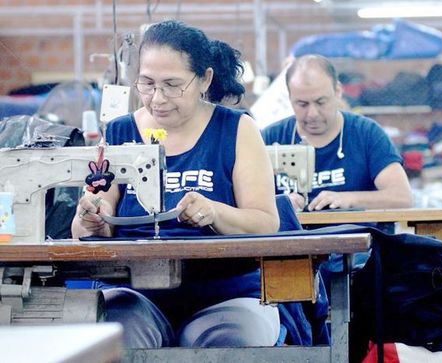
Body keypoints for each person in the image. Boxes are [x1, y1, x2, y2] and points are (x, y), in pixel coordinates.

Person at [71, 20, 280, 348]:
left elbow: (267, 223)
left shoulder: (237, 130)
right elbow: (91, 218)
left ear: (204, 80)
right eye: (147, 83)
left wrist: (214, 213)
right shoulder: (119, 132)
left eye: (172, 84)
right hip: (136, 294)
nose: (157, 98)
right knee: (111, 340)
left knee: (230, 345)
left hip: (229, 294)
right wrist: (92, 218)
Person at [262, 54, 412, 212]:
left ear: (338, 91)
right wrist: (278, 203)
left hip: (357, 234)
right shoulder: (270, 138)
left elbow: (401, 197)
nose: (312, 113)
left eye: (321, 102)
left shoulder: (366, 134)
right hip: (291, 236)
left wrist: (349, 199)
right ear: (290, 98)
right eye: (302, 104)